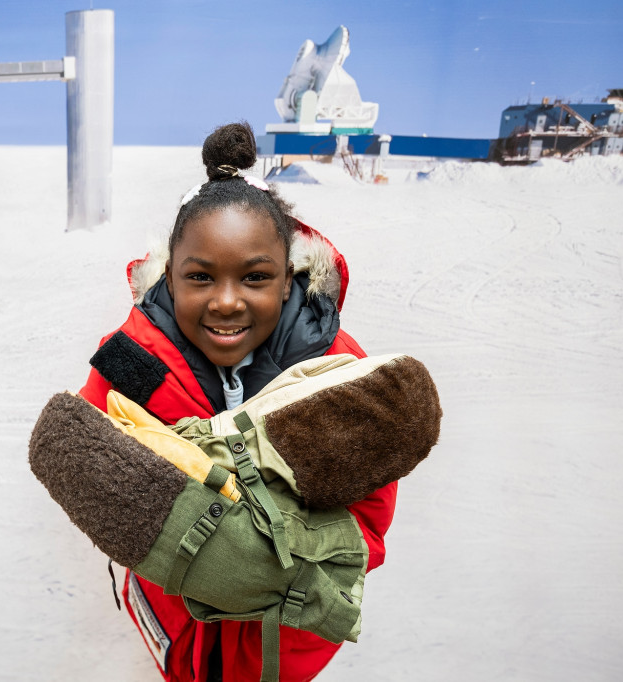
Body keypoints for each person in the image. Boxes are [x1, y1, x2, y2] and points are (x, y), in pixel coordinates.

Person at [77, 121, 397, 682]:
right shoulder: (129, 363)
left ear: (288, 277)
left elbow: (368, 518)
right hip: (174, 628)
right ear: (170, 279)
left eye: (254, 277)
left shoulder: (335, 371)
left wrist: (279, 566)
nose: (226, 302)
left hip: (283, 641)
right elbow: (94, 477)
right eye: (201, 276)